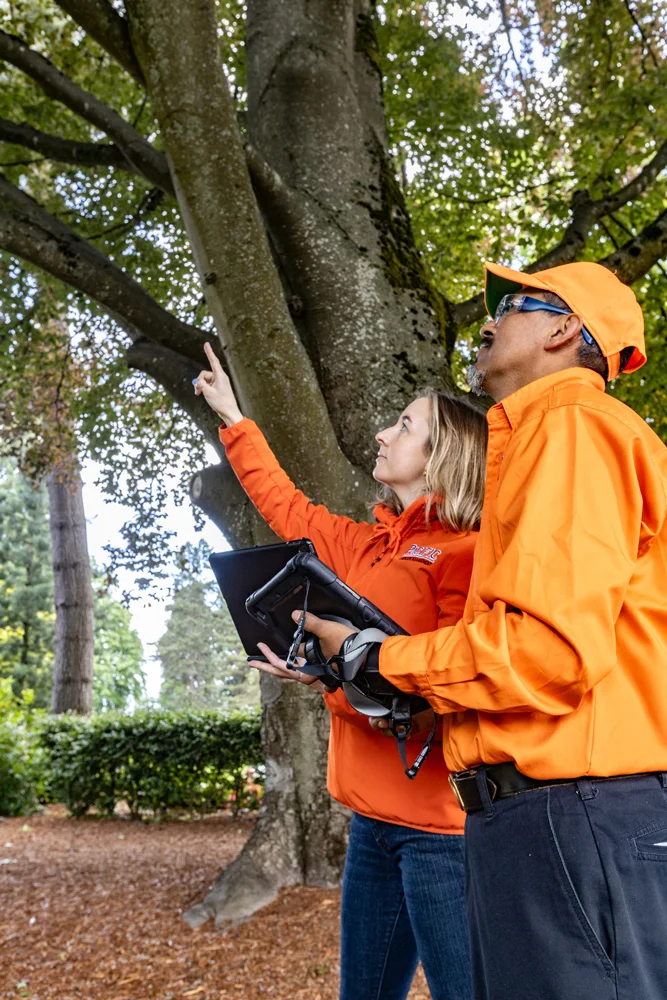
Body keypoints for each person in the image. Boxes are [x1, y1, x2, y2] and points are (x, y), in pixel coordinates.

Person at [302, 260, 667, 1000]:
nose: (490, 321)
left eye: (515, 305)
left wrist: (375, 658)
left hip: (572, 815)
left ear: (564, 330)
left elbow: (546, 649)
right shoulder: (546, 441)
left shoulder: (569, 428)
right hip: (552, 816)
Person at [194, 341, 487, 1000]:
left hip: (441, 835)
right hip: (371, 823)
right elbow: (287, 508)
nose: (383, 434)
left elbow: (455, 691)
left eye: (404, 426)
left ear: (441, 455)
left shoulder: (468, 554)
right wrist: (233, 418)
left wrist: (348, 666)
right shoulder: (366, 544)